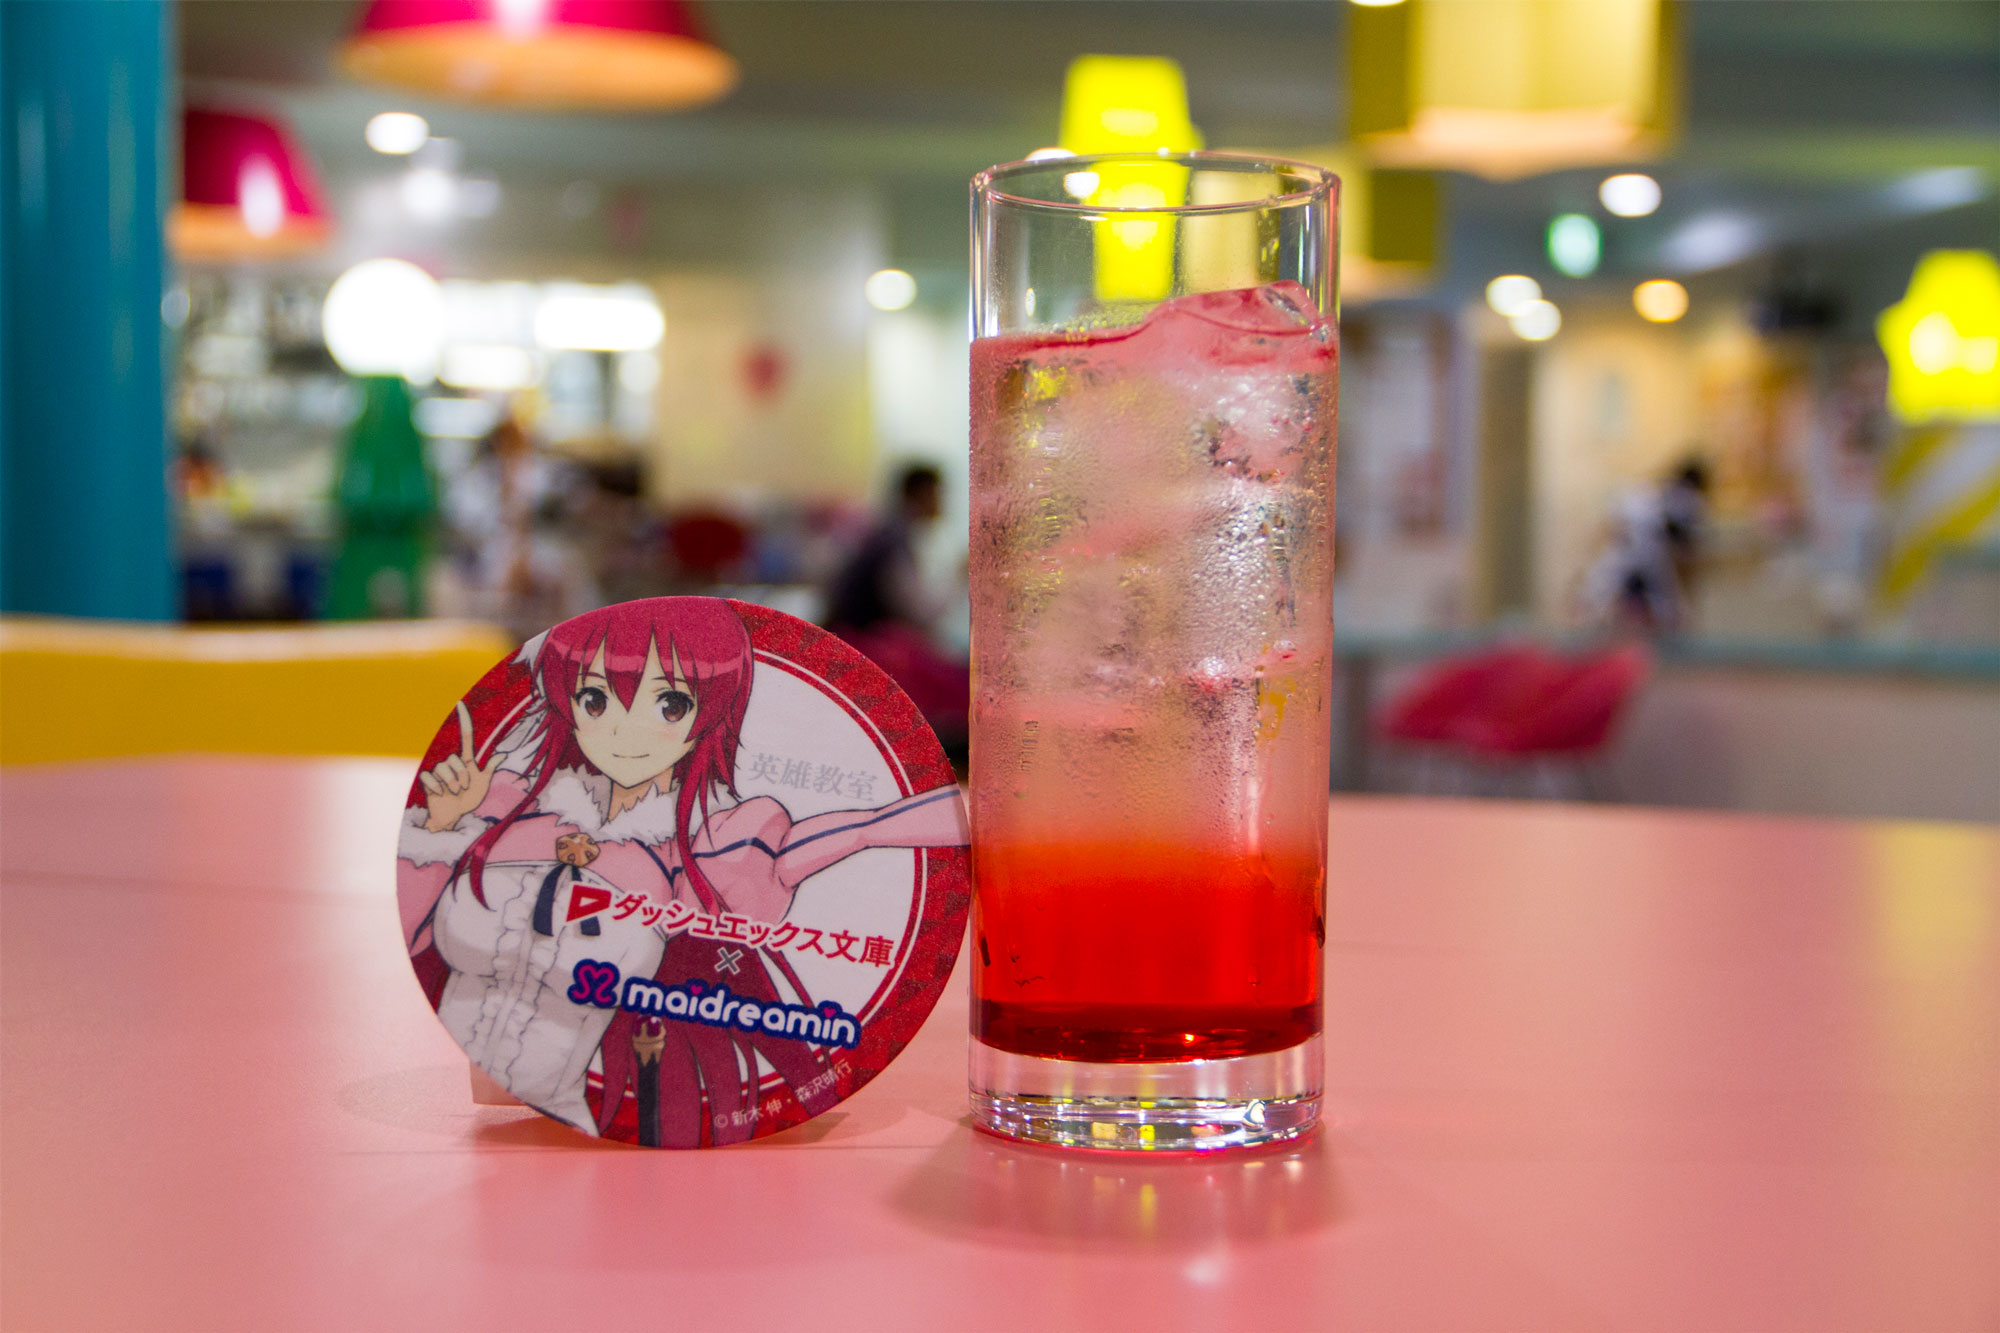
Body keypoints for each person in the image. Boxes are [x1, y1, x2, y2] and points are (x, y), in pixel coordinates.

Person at [397, 598, 967, 1147]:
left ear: (709, 712)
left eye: (669, 706)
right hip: (508, 1101)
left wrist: (979, 814)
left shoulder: (707, 855)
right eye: (594, 699)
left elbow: (867, 827)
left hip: (591, 1101)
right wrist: (449, 829)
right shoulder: (500, 803)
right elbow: (421, 933)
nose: (624, 733)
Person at [825, 465, 969, 748]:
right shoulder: (894, 542)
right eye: (938, 493)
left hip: (865, 640)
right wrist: (960, 575)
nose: (943, 502)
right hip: (873, 648)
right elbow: (919, 614)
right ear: (920, 495)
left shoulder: (885, 535)